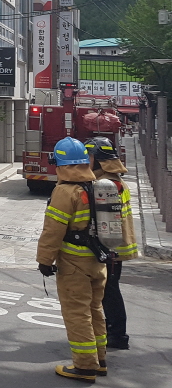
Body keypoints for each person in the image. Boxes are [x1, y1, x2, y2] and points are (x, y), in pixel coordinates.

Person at [36, 136, 107, 382]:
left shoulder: (65, 192)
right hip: (97, 261)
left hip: (75, 264)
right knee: (95, 310)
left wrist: (45, 260)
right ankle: (100, 360)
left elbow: (53, 230)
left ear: (61, 164)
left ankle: (85, 366)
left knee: (77, 313)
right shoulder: (95, 186)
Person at [85, 137, 138, 351]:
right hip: (114, 246)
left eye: (89, 157)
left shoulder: (107, 184)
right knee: (108, 289)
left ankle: (118, 334)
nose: (86, 161)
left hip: (112, 247)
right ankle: (110, 329)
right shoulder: (112, 180)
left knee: (110, 291)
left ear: (99, 160)